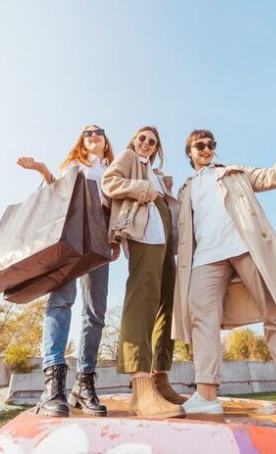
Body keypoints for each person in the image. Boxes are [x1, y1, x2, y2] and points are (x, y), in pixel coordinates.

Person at [172, 128, 276, 427]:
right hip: (204, 258)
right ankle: (206, 395)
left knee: (275, 312)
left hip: (247, 247)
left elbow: (273, 176)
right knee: (201, 319)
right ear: (189, 152)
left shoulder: (235, 172)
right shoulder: (185, 189)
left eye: (210, 145)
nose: (206, 149)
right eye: (199, 145)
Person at [16, 124, 119, 418]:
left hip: (99, 237)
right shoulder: (73, 165)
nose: (94, 134)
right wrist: (43, 170)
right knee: (62, 299)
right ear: (81, 141)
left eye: (99, 131)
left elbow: (116, 207)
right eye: (87, 132)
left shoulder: (112, 169)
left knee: (96, 311)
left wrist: (116, 238)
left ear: (105, 140)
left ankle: (84, 384)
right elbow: (56, 195)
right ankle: (52, 386)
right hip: (72, 233)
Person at [101, 126, 184, 418]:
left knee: (167, 305)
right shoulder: (127, 157)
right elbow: (109, 181)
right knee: (142, 300)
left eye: (152, 141)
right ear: (134, 141)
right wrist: (144, 189)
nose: (147, 143)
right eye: (142, 139)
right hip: (144, 234)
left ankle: (160, 379)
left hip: (164, 239)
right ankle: (141, 388)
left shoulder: (156, 172)